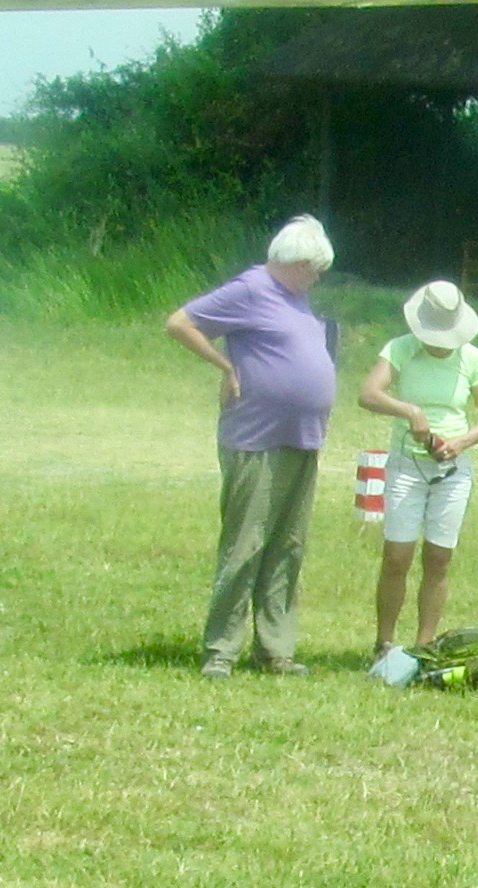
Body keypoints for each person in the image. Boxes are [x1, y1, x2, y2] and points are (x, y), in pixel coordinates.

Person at [165, 215, 338, 679]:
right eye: (315, 268)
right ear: (296, 262)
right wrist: (225, 365)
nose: (317, 277)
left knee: (288, 547)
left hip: (302, 437)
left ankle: (274, 649)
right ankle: (221, 649)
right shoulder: (250, 288)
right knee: (246, 543)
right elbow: (181, 323)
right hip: (257, 438)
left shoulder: (299, 298)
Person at [358, 280, 478, 659]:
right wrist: (409, 412)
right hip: (407, 464)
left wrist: (461, 443)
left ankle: (425, 644)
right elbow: (368, 393)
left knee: (439, 558)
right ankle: (384, 642)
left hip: (452, 470)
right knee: (397, 556)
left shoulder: (473, 359)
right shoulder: (400, 349)